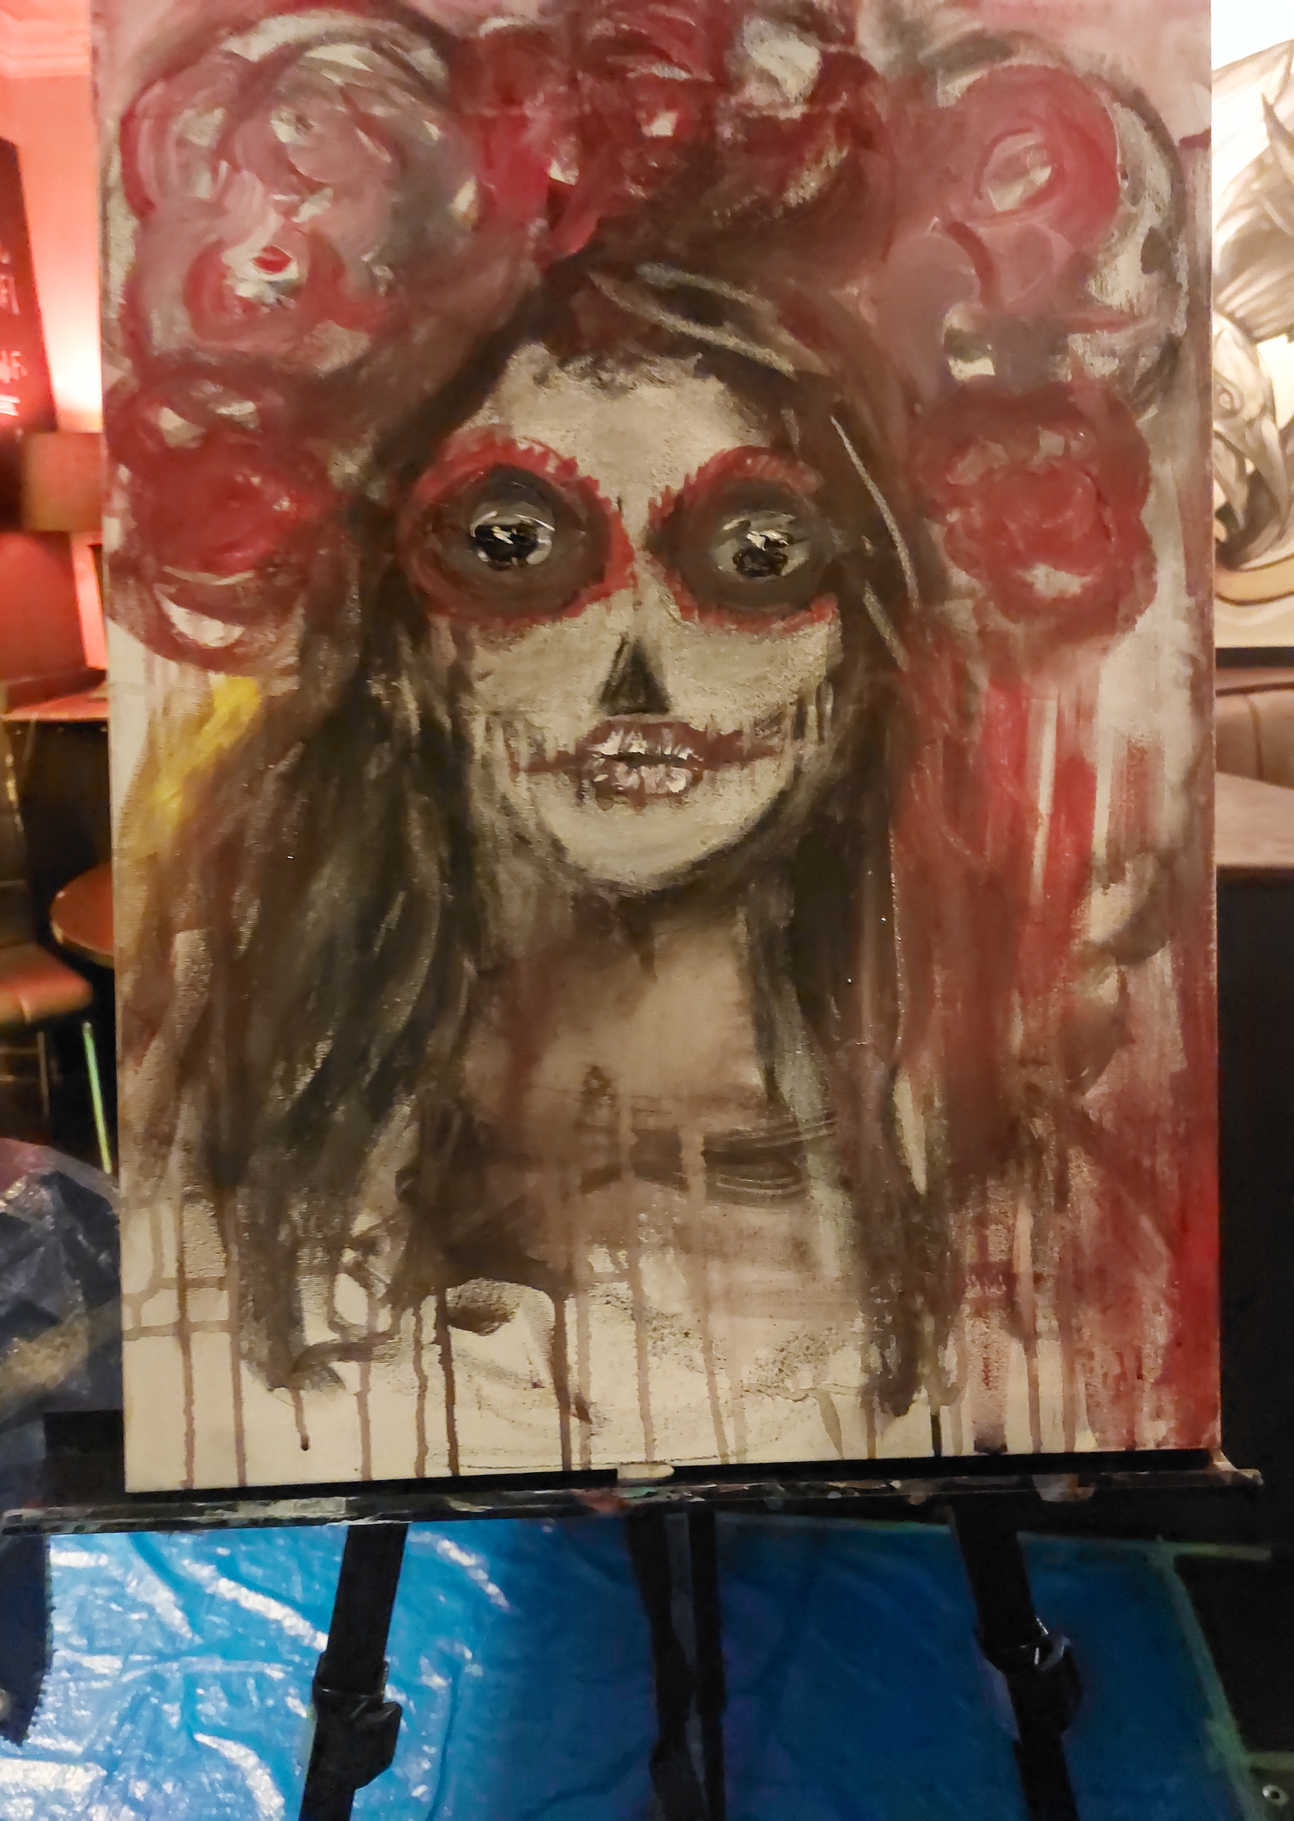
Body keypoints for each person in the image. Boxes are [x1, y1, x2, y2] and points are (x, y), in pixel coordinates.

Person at [109, 0, 1216, 1483]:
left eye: (755, 555)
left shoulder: (1013, 1215)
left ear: (869, 628)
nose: (638, 671)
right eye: (515, 544)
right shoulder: (253, 1159)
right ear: (402, 629)